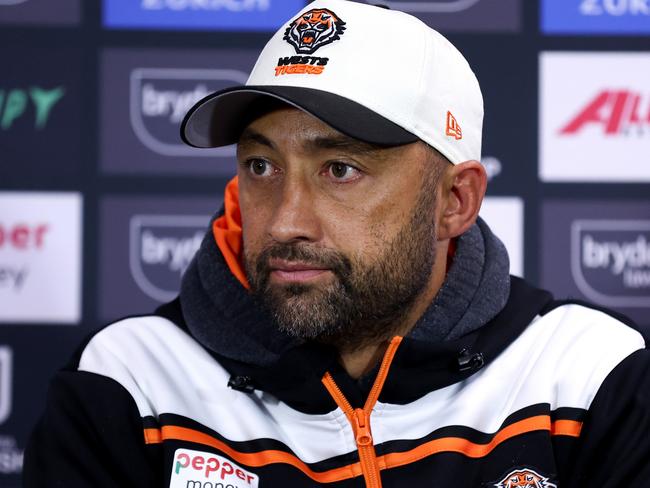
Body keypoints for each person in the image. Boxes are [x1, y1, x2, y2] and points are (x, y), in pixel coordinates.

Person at [24, 1, 650, 487]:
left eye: (341, 169)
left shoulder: (587, 374)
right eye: (262, 167)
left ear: (454, 201)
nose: (284, 222)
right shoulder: (131, 380)